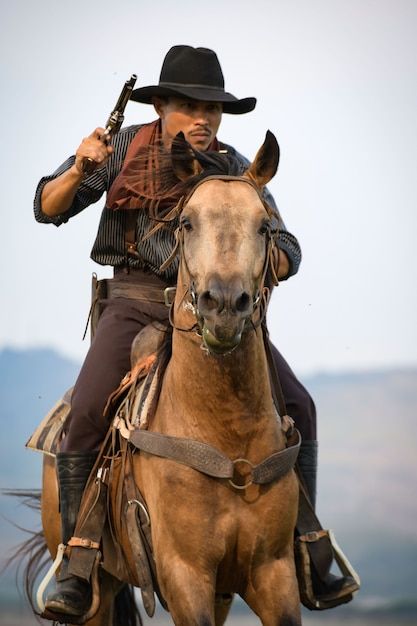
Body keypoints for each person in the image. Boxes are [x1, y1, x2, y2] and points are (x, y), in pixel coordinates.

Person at [34, 45, 353, 618]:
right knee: (84, 410)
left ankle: (306, 540)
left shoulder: (238, 169)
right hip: (133, 303)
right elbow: (47, 206)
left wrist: (263, 258)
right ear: (160, 105)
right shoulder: (121, 147)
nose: (203, 119)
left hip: (220, 315)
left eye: (213, 109)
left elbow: (288, 246)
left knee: (300, 406)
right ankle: (79, 561)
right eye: (187, 105)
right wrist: (81, 167)